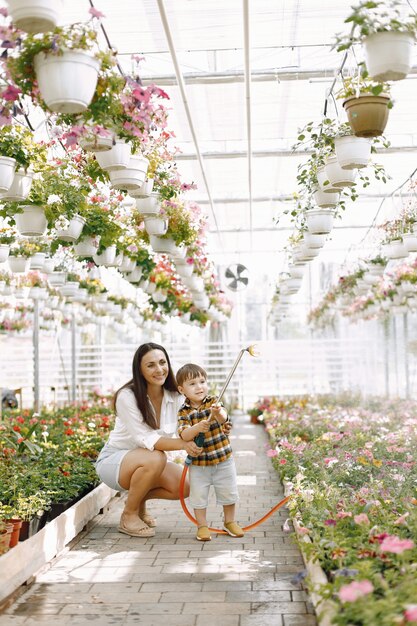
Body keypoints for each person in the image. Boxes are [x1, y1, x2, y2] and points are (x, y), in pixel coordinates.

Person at [95, 342, 205, 538]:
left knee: (186, 484)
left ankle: (136, 504)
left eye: (163, 362)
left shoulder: (175, 395)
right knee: (156, 457)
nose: (159, 369)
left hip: (146, 461)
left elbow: (194, 418)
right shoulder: (127, 396)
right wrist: (183, 444)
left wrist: (219, 422)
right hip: (115, 463)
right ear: (140, 370)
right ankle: (128, 516)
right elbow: (147, 439)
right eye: (151, 365)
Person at [176, 363, 244, 542]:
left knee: (228, 492)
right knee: (198, 495)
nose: (199, 387)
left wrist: (218, 412)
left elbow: (225, 419)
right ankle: (202, 526)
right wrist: (197, 427)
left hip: (223, 459)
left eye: (202, 381)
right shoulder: (184, 411)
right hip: (199, 465)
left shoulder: (214, 401)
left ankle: (229, 521)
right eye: (192, 384)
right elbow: (184, 434)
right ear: (181, 389)